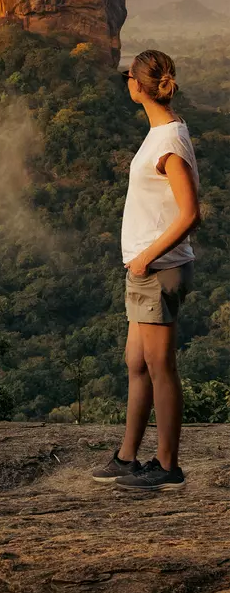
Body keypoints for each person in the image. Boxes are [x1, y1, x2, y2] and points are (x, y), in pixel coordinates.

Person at [92, 49, 201, 491]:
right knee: (136, 362)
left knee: (160, 366)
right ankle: (126, 457)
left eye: (129, 81)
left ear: (139, 87)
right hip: (145, 270)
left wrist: (146, 256)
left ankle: (167, 465)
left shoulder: (170, 141)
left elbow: (191, 212)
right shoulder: (161, 132)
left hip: (158, 270)